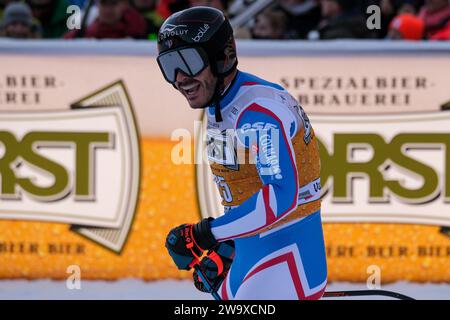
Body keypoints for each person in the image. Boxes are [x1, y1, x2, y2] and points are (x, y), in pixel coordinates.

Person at [159, 6, 327, 300]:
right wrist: (229, 247)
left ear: (222, 57)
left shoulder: (257, 112)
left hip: (289, 262)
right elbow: (244, 191)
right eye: (169, 64)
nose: (179, 78)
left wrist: (206, 234)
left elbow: (280, 196)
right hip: (253, 258)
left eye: (188, 61)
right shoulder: (221, 105)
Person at [65, 0, 147, 39]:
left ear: (124, 4)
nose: (108, 10)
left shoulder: (140, 30)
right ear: (97, 5)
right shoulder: (82, 33)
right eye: (104, 3)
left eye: (113, 3)